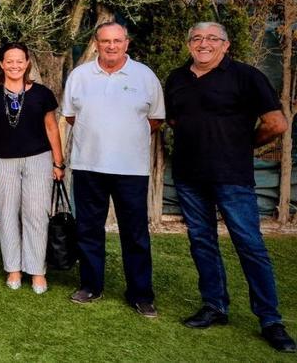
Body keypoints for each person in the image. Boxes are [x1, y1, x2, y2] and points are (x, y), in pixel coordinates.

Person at [164, 21, 295, 353]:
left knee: (249, 245)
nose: (203, 43)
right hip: (189, 176)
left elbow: (276, 123)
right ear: (188, 43)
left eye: (212, 38)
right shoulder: (177, 79)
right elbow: (175, 122)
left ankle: (270, 320)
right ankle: (214, 305)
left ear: (226, 45)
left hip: (232, 177)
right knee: (202, 242)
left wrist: (244, 144)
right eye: (196, 38)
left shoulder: (247, 77)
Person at [61, 22, 163, 316]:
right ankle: (91, 286)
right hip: (88, 165)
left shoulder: (145, 76)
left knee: (135, 233)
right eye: (105, 41)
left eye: (117, 41)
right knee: (89, 230)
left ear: (126, 43)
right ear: (96, 43)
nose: (111, 46)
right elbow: (71, 117)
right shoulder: (79, 76)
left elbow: (154, 119)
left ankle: (141, 294)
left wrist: (124, 137)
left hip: (131, 169)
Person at [0, 42, 65, 294]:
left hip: (39, 159)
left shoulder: (42, 94)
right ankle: (13, 268)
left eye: (19, 61)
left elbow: (51, 128)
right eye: (9, 61)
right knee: (7, 214)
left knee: (36, 214)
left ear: (27, 63)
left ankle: (37, 271)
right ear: (1, 64)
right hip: (1, 161)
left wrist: (58, 162)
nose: (15, 65)